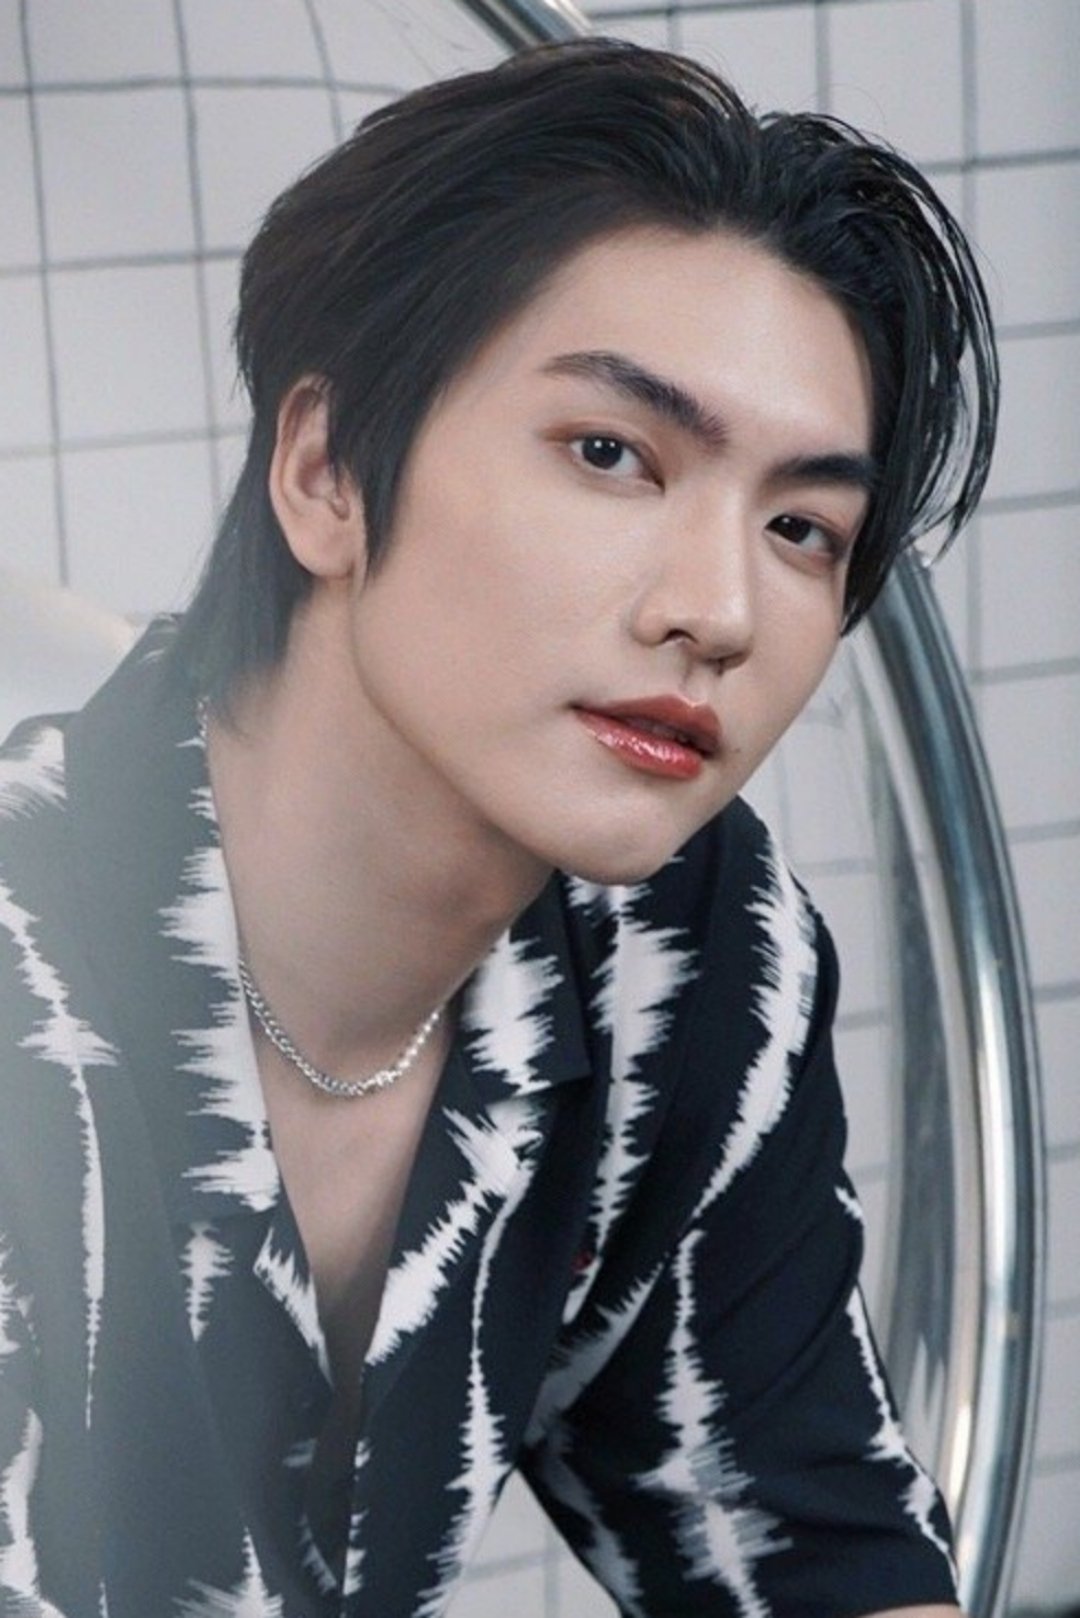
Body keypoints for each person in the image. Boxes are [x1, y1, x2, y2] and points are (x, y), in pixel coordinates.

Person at [0, 36, 997, 1618]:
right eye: (611, 453)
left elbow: (811, 1543)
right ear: (327, 470)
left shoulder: (679, 958)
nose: (720, 609)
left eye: (803, 527)